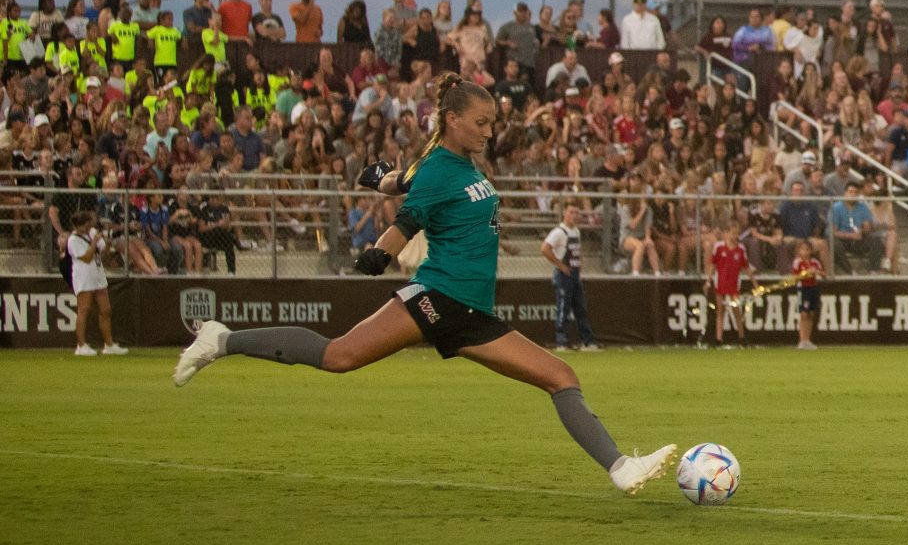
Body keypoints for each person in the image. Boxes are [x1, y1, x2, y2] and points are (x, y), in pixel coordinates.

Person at [171, 73, 678, 495]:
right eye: (480, 123)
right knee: (338, 355)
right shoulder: (441, 166)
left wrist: (384, 180)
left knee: (561, 376)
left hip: (473, 314)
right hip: (437, 297)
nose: (487, 132)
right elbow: (409, 220)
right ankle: (221, 339)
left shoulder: (449, 162)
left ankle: (621, 468)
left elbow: (409, 183)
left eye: (491, 124)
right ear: (452, 120)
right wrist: (379, 253)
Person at [66, 208, 125, 357]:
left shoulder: (92, 232)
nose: (87, 228)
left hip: (98, 274)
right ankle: (81, 345)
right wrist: (94, 242)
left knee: (106, 310)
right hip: (84, 277)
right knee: (84, 310)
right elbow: (86, 257)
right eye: (84, 225)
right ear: (77, 225)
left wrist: (106, 245)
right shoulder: (73, 240)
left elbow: (102, 253)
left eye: (88, 224)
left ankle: (109, 344)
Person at [543, 202, 598, 352]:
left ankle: (587, 341)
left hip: (574, 274)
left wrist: (580, 267)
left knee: (580, 308)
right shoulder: (559, 232)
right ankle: (561, 341)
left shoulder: (576, 231)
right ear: (564, 214)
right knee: (563, 309)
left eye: (577, 212)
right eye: (571, 212)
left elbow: (577, 252)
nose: (575, 215)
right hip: (563, 275)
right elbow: (545, 248)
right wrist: (560, 265)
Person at [707, 225, 750, 347]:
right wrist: (708, 280)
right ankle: (718, 338)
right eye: (732, 233)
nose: (735, 236)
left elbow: (746, 266)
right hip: (720, 282)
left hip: (734, 284)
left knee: (737, 311)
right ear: (726, 233)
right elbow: (712, 265)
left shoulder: (741, 248)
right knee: (720, 310)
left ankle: (741, 337)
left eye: (737, 233)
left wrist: (754, 282)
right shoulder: (719, 247)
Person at [791, 239, 825, 350]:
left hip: (813, 288)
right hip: (803, 289)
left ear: (810, 251)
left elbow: (824, 274)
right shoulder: (797, 262)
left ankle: (807, 340)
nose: (804, 252)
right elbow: (794, 277)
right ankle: (802, 339)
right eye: (802, 249)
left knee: (811, 314)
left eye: (807, 249)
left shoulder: (815, 262)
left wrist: (816, 272)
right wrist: (804, 274)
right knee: (803, 314)